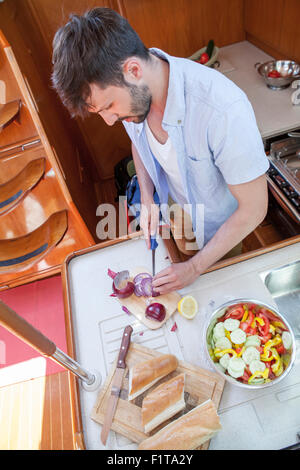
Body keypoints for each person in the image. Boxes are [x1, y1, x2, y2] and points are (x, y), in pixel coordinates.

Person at [52, 7, 269, 294]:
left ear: (133, 70)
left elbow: (254, 209)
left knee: (214, 293)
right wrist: (147, 196)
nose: (109, 120)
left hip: (223, 228)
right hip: (177, 207)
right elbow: (139, 142)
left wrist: (195, 267)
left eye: (108, 107)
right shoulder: (134, 99)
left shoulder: (223, 110)